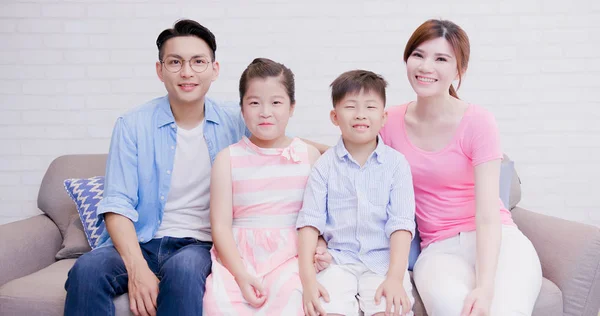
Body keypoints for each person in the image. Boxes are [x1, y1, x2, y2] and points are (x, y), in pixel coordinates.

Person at [64, 20, 326, 316]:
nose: (187, 72)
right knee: (86, 270)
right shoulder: (132, 125)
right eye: (175, 62)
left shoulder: (235, 117)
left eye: (198, 62)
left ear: (214, 69)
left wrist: (343, 150)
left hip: (197, 245)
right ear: (160, 70)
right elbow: (117, 205)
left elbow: (282, 138)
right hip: (143, 240)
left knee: (184, 273)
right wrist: (137, 268)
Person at [379, 19, 542, 315]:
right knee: (453, 308)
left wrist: (485, 284)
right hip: (439, 250)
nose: (426, 67)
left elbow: (488, 212)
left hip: (499, 241)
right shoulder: (388, 121)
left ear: (459, 71)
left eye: (441, 59)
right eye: (418, 55)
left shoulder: (477, 121)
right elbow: (352, 152)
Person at [203, 58, 321, 315]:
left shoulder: (308, 156)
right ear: (242, 109)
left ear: (292, 107)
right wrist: (240, 274)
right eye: (254, 103)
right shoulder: (228, 159)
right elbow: (220, 225)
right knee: (217, 305)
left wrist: (319, 247)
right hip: (238, 258)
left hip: (292, 256)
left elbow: (319, 217)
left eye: (276, 102)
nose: (265, 111)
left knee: (291, 301)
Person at [297, 70, 416, 316]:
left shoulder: (396, 165)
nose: (360, 114)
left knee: (392, 310)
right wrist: (308, 281)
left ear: (383, 117)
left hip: (384, 262)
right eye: (350, 106)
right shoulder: (324, 165)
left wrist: (395, 277)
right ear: (334, 116)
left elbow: (401, 224)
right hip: (339, 261)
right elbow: (310, 222)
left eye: (370, 107)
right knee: (325, 309)